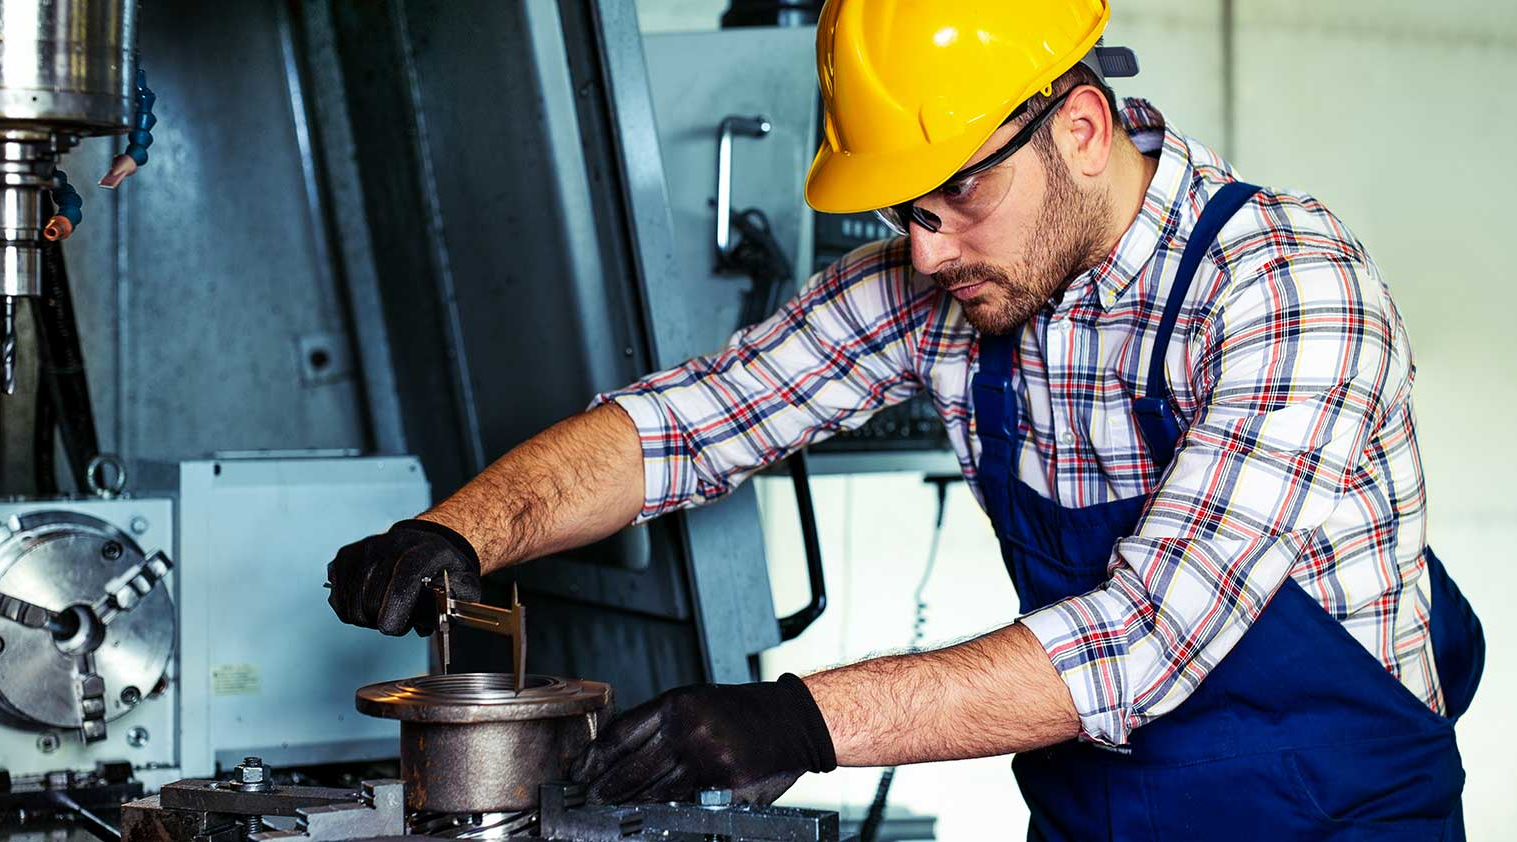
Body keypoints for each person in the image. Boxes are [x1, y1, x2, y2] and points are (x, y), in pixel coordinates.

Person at [327, 1, 1485, 837]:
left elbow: (1142, 637)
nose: (926, 249)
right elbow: (693, 418)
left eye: (957, 197)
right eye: (903, 209)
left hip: (1337, 820)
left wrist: (795, 721)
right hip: (1102, 817)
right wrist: (462, 531)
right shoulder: (946, 286)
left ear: (1080, 128)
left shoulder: (1290, 289)